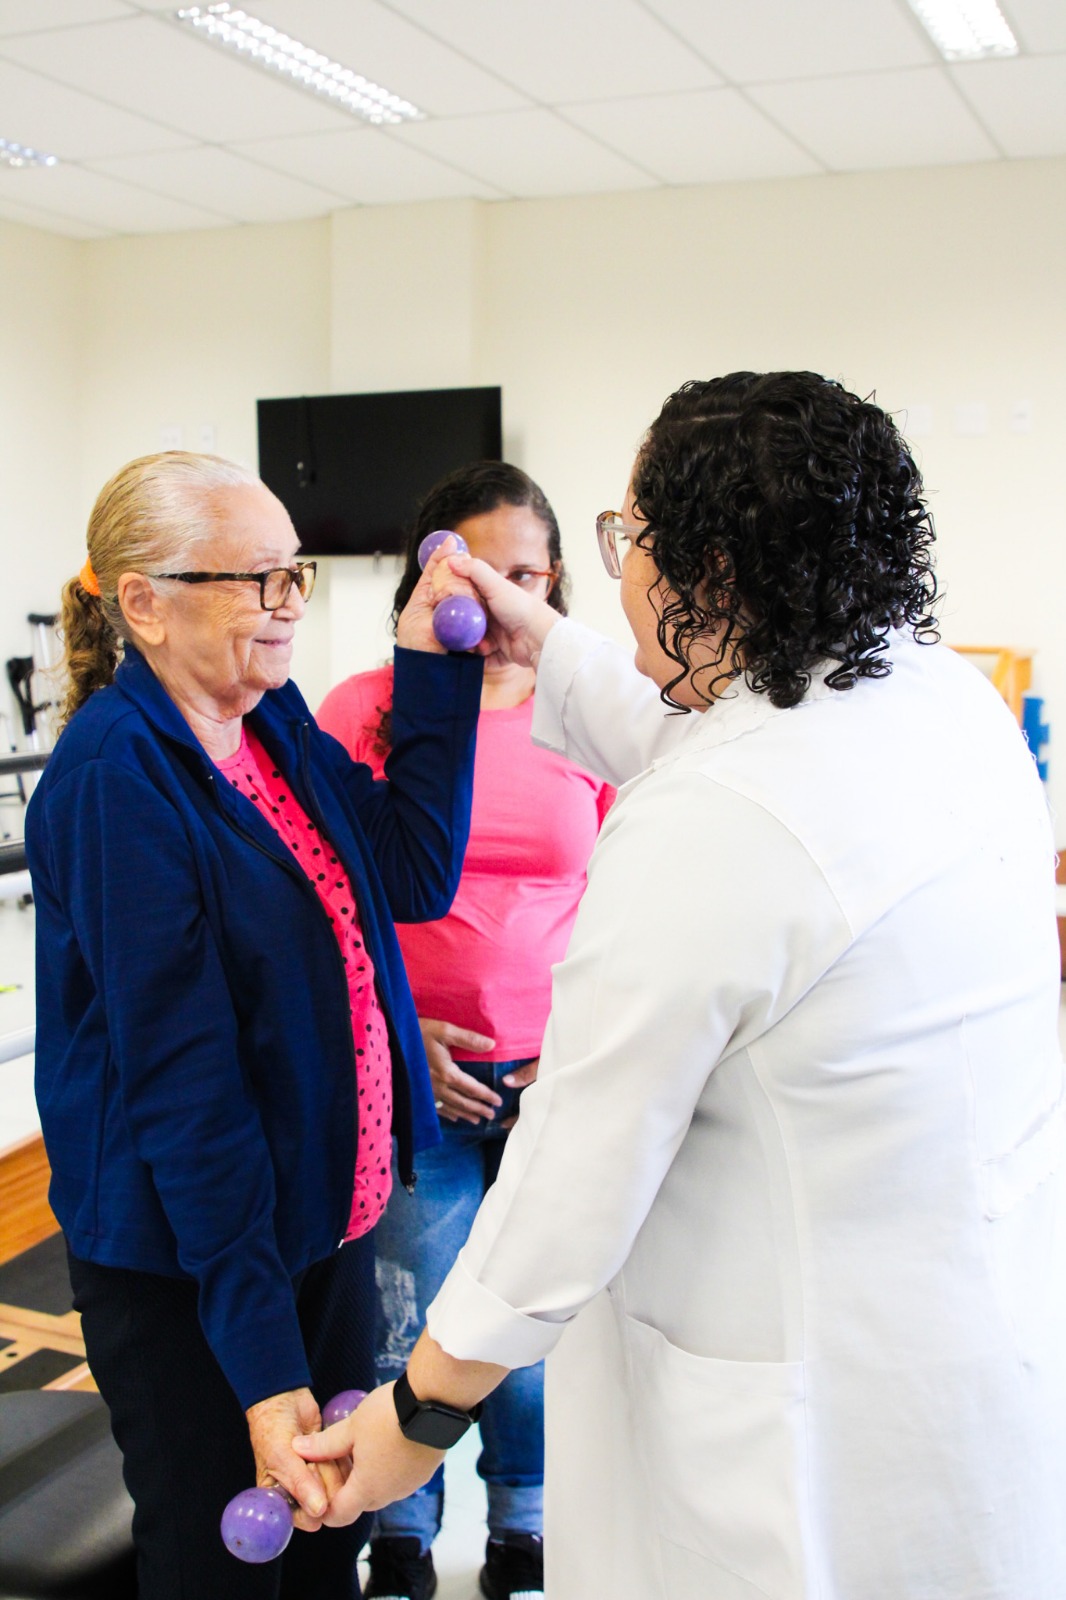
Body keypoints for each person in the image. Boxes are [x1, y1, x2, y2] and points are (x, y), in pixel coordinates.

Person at [297, 373, 1066, 1600]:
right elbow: (711, 745)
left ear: (705, 569)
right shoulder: (935, 702)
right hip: (965, 1352)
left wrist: (418, 1413)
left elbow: (573, 1172)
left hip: (792, 1428)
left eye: (627, 539)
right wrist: (533, 631)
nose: (615, 573)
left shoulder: (716, 819)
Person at [25, 451, 483, 1600]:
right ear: (144, 601)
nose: (288, 607)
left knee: (327, 1536)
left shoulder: (266, 717)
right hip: (192, 1261)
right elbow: (186, 1089)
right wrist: (263, 1362)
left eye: (296, 576)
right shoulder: (113, 779)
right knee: (219, 1562)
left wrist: (427, 667)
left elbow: (412, 870)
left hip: (317, 1217)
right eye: (257, 581)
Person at [317, 462, 614, 1600]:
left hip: (556, 1070)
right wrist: (405, 1032)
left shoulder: (586, 715)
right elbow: (333, 895)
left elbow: (628, 899)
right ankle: (401, 1534)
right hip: (412, 1073)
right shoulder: (367, 708)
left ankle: (523, 1527)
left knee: (529, 1321)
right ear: (426, 574)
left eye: (519, 573)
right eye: (466, 567)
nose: (489, 597)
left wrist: (576, 1041)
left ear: (551, 585)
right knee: (412, 1311)